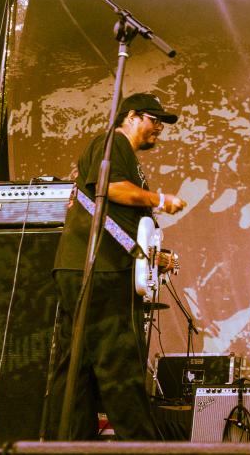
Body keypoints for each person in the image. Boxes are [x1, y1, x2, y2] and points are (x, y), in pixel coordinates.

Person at [49, 92, 188, 440]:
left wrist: (155, 258)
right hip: (102, 269)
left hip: (82, 265)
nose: (159, 129)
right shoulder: (113, 143)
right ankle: (143, 447)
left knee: (76, 367)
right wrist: (160, 199)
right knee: (121, 361)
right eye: (154, 120)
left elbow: (119, 225)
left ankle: (66, 444)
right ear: (131, 116)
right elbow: (110, 188)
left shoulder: (121, 152)